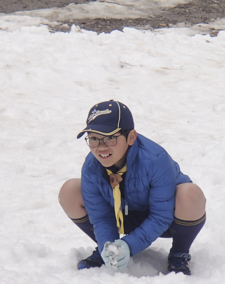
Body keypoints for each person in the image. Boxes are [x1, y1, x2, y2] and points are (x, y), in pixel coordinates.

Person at [58, 100, 206, 274]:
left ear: (131, 137)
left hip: (165, 219)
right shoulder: (91, 166)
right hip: (122, 215)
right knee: (69, 191)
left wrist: (129, 245)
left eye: (110, 138)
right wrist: (109, 245)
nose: (101, 147)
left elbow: (160, 215)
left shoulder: (156, 159)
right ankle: (106, 251)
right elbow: (101, 217)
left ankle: (179, 254)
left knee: (191, 194)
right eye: (94, 139)